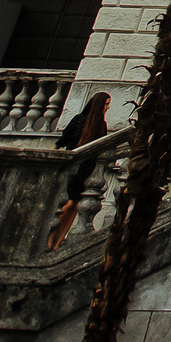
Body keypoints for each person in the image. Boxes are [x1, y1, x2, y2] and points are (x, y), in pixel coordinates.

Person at [44, 91, 113, 250]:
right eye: (106, 104)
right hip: (74, 168)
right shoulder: (79, 120)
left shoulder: (101, 125)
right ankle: (50, 237)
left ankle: (58, 241)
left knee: (75, 206)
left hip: (87, 169)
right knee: (68, 204)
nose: (108, 107)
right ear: (98, 105)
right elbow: (63, 139)